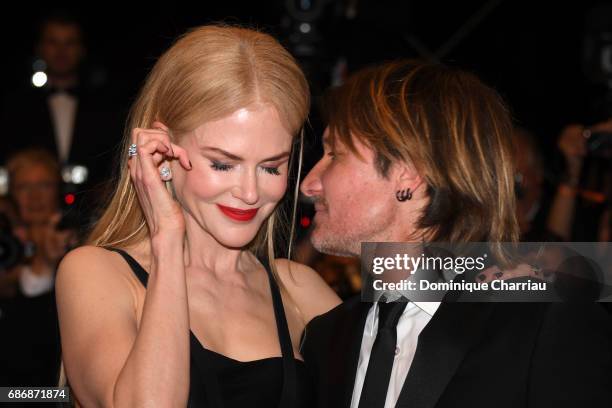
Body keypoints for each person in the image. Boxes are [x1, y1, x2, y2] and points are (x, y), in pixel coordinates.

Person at [55, 25, 340, 407]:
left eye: (271, 168)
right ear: (164, 151)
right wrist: (168, 239)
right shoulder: (95, 273)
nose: (251, 193)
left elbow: (424, 354)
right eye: (224, 164)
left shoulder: (298, 288)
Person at [300, 60, 612, 408]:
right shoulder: (326, 338)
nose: (309, 183)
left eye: (334, 154)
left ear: (408, 172)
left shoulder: (544, 324)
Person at [0, 149, 75, 386]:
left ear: (59, 190)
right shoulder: (5, 243)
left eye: (44, 185)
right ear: (11, 193)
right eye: (23, 187)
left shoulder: (83, 236)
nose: (34, 196)